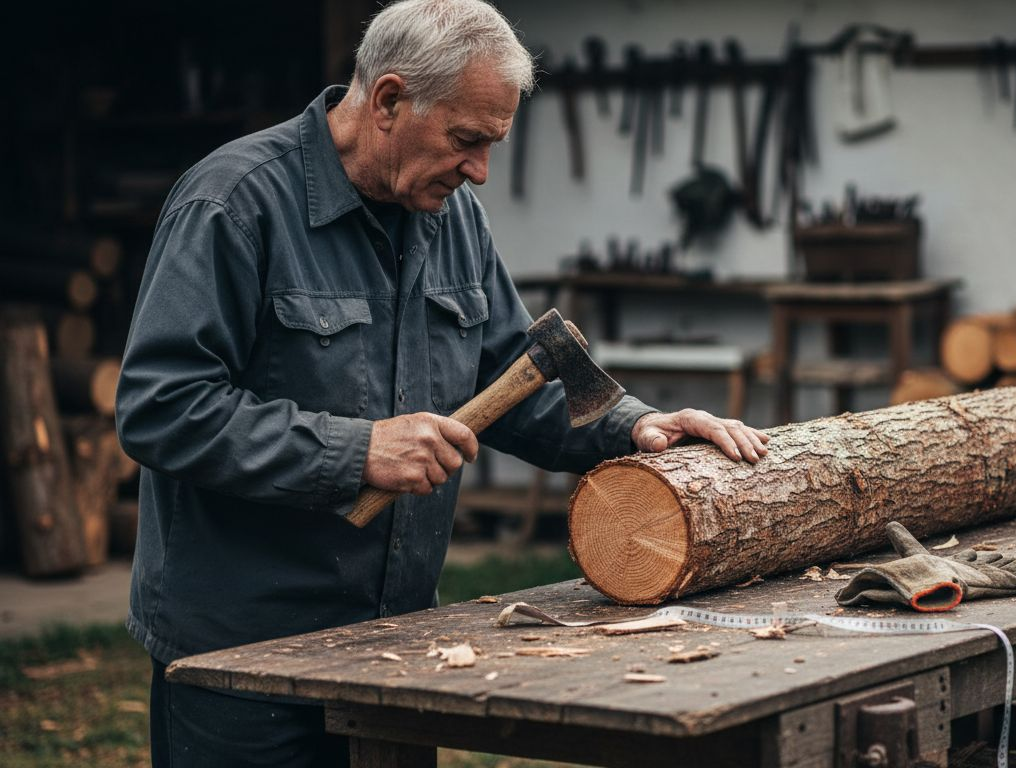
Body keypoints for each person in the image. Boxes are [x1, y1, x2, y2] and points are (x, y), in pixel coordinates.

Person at [115, 1, 769, 764]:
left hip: (395, 644)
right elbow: (161, 407)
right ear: (389, 100)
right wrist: (353, 450)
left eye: (492, 145)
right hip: (241, 659)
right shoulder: (233, 202)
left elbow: (509, 380)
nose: (480, 171)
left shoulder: (451, 216)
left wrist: (631, 426)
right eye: (467, 141)